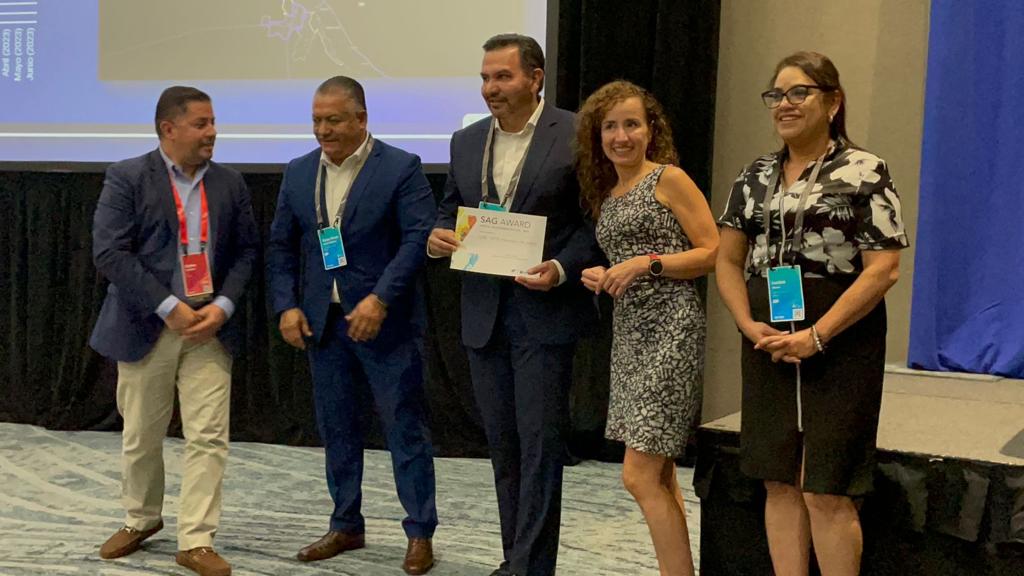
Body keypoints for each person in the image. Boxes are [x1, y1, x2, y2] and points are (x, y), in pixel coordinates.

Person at [715, 51, 909, 576]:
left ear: (832, 102)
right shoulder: (753, 175)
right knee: (778, 479)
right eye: (776, 95)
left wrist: (818, 335)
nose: (785, 104)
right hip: (766, 336)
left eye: (799, 92)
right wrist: (745, 322)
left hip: (841, 338)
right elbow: (726, 261)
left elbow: (884, 269)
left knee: (825, 486)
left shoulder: (864, 170)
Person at [427, 34, 602, 576]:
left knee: (540, 449)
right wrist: (437, 235)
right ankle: (516, 560)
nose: (490, 88)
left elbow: (595, 221)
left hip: (543, 312)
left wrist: (562, 269)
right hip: (485, 313)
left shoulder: (575, 133)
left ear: (535, 78)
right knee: (503, 447)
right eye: (485, 78)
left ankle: (531, 567)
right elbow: (449, 208)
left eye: (502, 77)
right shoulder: (465, 140)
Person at [266, 76, 438, 575]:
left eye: (334, 120)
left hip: (385, 325)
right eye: (317, 120)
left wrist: (379, 300)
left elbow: (417, 239)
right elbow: (280, 245)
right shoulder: (299, 171)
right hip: (323, 326)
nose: (323, 130)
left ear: (361, 119)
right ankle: (346, 524)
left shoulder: (400, 167)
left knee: (404, 429)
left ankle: (420, 532)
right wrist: (286, 306)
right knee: (337, 429)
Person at [91, 86, 259, 576]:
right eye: (201, 124)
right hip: (147, 324)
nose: (212, 132)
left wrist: (223, 306)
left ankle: (197, 540)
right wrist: (168, 307)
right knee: (142, 433)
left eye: (213, 122)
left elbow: (247, 251)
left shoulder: (229, 182)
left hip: (209, 328)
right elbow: (110, 252)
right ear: (169, 128)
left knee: (209, 435)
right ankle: (141, 518)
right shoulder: (127, 177)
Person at [576, 80, 718, 576]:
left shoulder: (668, 178)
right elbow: (626, 261)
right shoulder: (609, 193)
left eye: (631, 124)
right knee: (658, 476)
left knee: (638, 476)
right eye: (610, 127)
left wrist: (645, 264)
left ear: (650, 130)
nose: (621, 136)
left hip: (672, 329)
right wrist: (606, 274)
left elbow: (712, 251)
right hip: (630, 333)